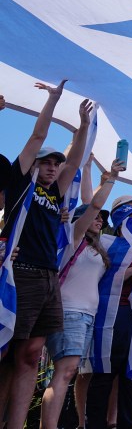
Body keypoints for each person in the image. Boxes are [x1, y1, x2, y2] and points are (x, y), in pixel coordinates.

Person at [0, 81, 93, 429]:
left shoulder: (57, 194)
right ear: (33, 165)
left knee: (30, 357)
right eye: (46, 163)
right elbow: (37, 138)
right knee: (8, 355)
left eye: (56, 163)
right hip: (20, 273)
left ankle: (17, 424)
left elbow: (76, 160)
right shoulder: (21, 182)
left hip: (48, 278)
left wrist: (84, 126)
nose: (53, 167)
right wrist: (53, 100)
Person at [40, 159, 124, 429]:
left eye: (101, 220)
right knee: (64, 373)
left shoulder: (97, 248)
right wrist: (109, 178)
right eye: (95, 218)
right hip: (69, 312)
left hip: (87, 316)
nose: (99, 220)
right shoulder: (72, 238)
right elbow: (94, 204)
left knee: (70, 373)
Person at [85, 201, 132, 429]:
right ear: (120, 224)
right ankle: (95, 424)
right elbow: (103, 277)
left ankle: (128, 422)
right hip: (112, 314)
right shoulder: (107, 244)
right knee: (105, 371)